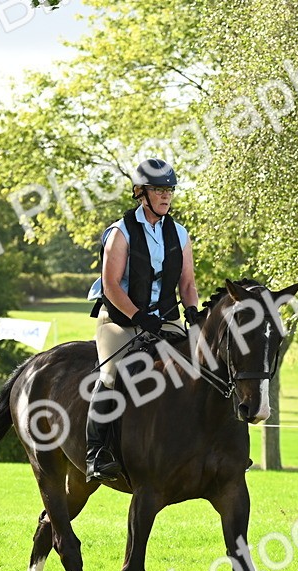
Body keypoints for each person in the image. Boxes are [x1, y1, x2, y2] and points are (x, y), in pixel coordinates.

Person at [84, 158, 201, 482]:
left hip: (163, 319)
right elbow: (111, 284)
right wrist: (138, 317)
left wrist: (192, 311)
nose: (166, 196)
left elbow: (188, 284)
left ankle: (213, 446)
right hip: (120, 319)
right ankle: (96, 453)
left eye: (169, 190)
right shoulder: (120, 233)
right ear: (140, 192)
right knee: (111, 374)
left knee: (203, 366)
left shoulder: (179, 233)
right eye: (158, 190)